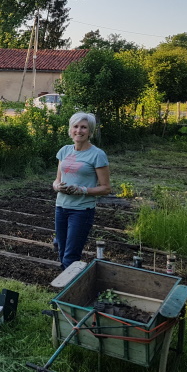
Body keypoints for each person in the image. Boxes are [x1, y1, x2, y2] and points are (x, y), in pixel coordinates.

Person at [52, 112, 111, 270]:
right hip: (61, 207)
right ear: (70, 130)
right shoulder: (64, 151)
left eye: (84, 127)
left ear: (90, 131)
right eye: (76, 126)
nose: (79, 130)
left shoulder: (97, 155)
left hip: (81, 211)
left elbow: (106, 188)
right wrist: (57, 186)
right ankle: (67, 285)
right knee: (62, 250)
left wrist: (82, 190)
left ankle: (67, 289)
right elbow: (57, 180)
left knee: (71, 254)